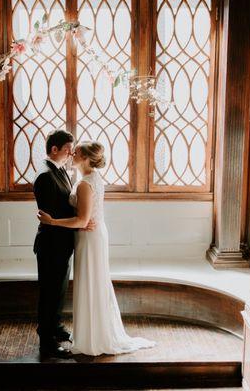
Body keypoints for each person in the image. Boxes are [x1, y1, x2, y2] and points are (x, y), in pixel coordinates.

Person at [38, 141, 155, 356]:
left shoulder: (84, 184)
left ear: (85, 159)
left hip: (88, 237)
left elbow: (82, 221)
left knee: (91, 282)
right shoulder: (88, 179)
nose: (72, 154)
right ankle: (92, 331)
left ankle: (94, 336)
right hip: (91, 235)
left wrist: (52, 222)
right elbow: (85, 216)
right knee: (92, 282)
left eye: (77, 153)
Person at [33, 129, 94, 358]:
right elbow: (52, 216)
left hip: (62, 243)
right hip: (51, 245)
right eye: (68, 149)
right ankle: (46, 342)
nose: (71, 154)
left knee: (59, 291)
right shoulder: (45, 176)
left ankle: (55, 327)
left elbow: (66, 205)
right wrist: (80, 222)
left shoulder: (59, 170)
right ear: (54, 149)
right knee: (49, 293)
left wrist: (82, 219)